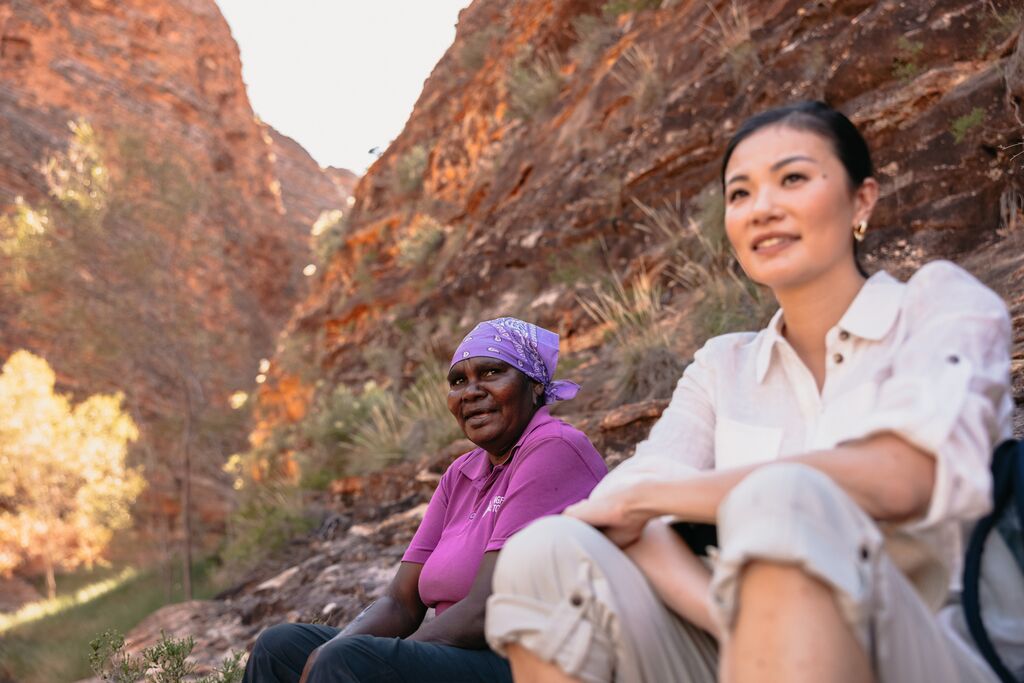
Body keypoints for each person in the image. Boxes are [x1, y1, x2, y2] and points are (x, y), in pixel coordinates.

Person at [483, 101, 1020, 683]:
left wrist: (652, 501)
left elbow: (902, 477)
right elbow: (613, 513)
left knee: (788, 493)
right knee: (547, 551)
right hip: (746, 652)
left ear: (861, 199)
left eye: (792, 178)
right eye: (740, 194)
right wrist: (740, 619)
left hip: (924, 647)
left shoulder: (938, 305)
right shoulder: (723, 365)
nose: (762, 208)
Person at [242, 317, 608, 683]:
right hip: (465, 657)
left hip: (538, 663)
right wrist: (328, 653)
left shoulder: (553, 448)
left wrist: (386, 661)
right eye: (458, 381)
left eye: (492, 372)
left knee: (353, 661)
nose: (470, 392)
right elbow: (399, 602)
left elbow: (490, 607)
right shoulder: (462, 473)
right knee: (280, 647)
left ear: (534, 387)